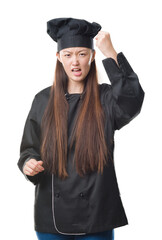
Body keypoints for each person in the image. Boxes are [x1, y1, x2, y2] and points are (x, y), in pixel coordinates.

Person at [17, 18, 145, 240]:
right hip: (51, 215)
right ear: (59, 58)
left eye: (82, 54)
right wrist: (28, 163)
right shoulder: (43, 100)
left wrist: (111, 52)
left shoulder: (105, 98)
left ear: (92, 56)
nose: (75, 62)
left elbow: (132, 100)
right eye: (68, 55)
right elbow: (29, 147)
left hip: (96, 214)